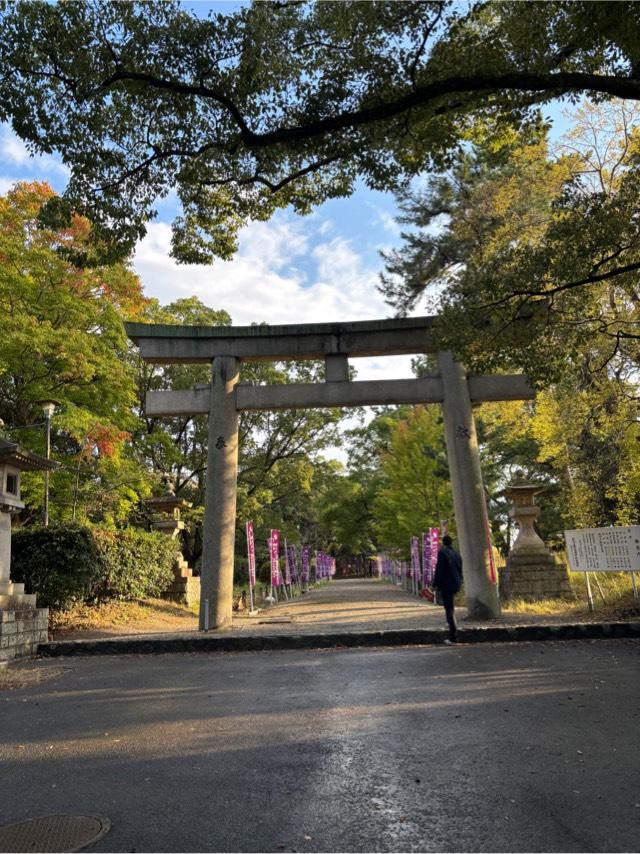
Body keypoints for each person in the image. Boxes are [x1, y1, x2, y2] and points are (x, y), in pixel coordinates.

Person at [433, 535, 463, 644]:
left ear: (443, 543)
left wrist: (435, 584)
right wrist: (459, 581)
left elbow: (439, 570)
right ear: (451, 543)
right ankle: (453, 633)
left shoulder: (442, 553)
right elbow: (460, 570)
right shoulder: (456, 554)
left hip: (446, 584)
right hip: (456, 583)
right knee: (450, 609)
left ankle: (453, 637)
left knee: (449, 610)